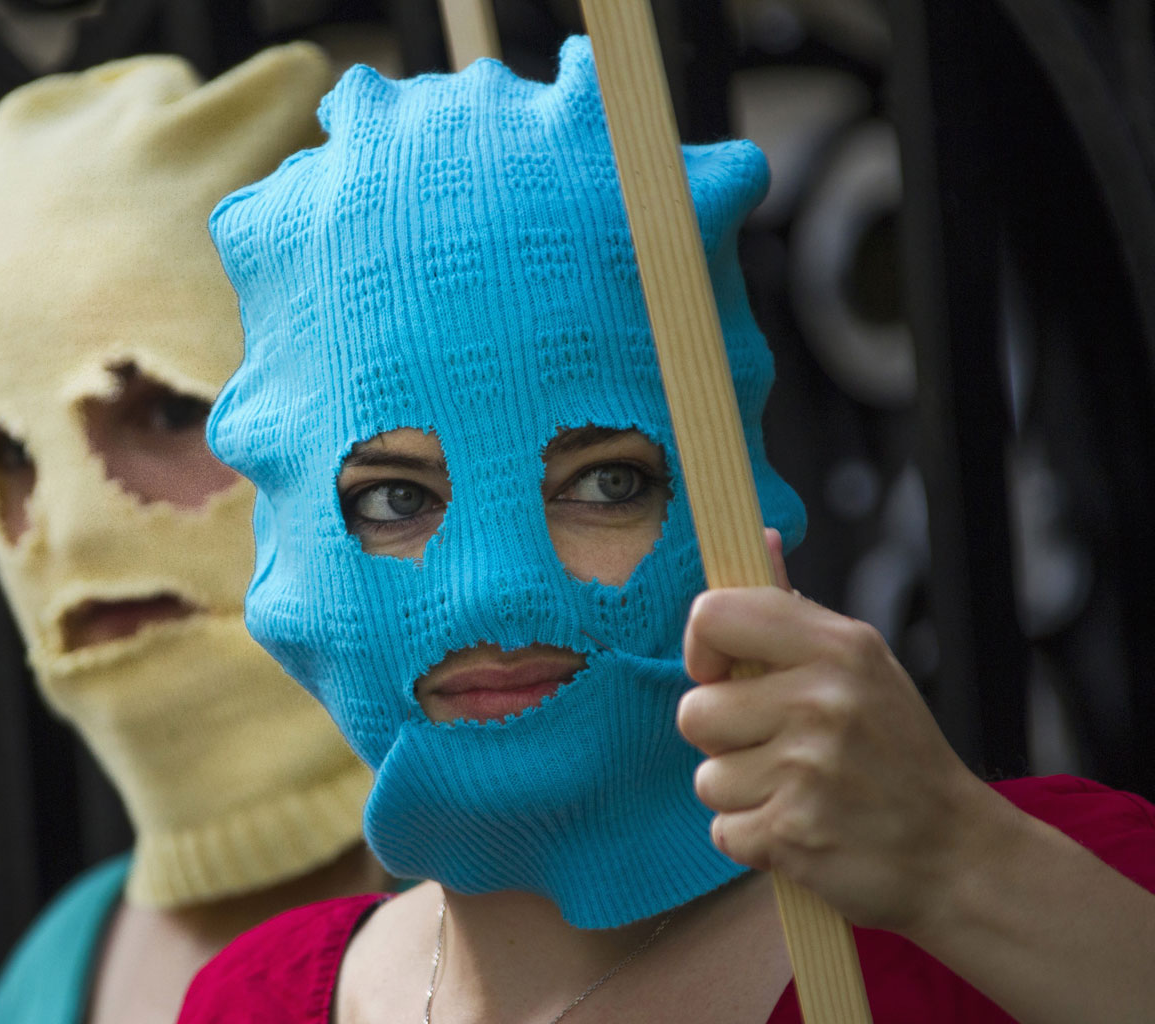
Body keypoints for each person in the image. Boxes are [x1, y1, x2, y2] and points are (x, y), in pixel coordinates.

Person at [177, 36, 1155, 1023]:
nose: (496, 589)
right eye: (394, 499)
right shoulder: (254, 1005)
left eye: (606, 482)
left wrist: (957, 865)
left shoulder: (1047, 910)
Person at [0, 47, 386, 1024]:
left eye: (170, 410)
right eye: (11, 455)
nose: (71, 529)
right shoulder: (49, 969)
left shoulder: (538, 925)